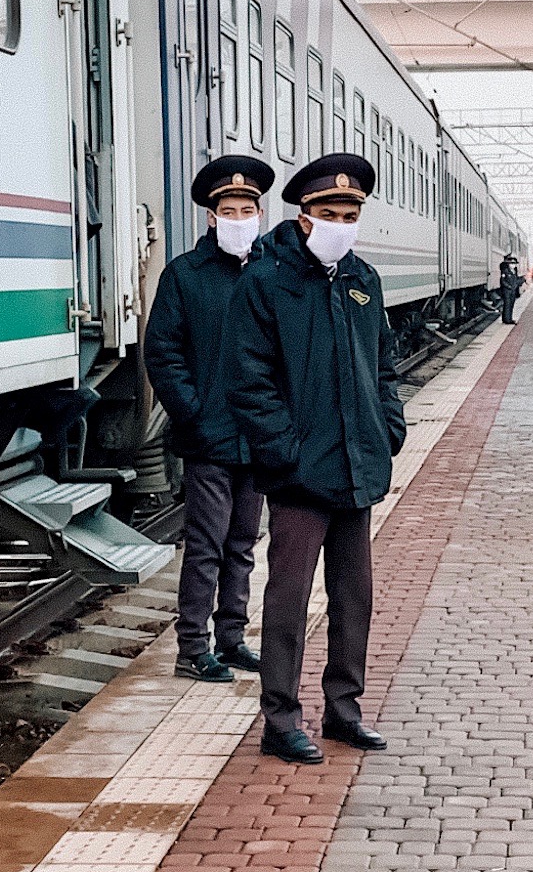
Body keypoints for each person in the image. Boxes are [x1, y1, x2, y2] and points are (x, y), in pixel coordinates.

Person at [227, 154, 406, 763]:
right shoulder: (266, 281)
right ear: (303, 218)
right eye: (328, 213)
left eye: (349, 213)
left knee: (355, 596)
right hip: (300, 474)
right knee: (288, 598)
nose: (340, 222)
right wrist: (285, 451)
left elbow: (382, 365)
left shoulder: (363, 280)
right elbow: (248, 379)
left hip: (357, 466)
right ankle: (280, 719)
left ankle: (343, 709)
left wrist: (389, 427)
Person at [144, 154, 274, 681]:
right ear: (211, 216)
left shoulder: (272, 272)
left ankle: (232, 637)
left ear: (260, 212)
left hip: (258, 438)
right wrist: (192, 414)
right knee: (206, 545)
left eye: (247, 207)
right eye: (228, 208)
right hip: (209, 437)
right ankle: (192, 648)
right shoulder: (185, 275)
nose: (238, 216)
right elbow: (162, 351)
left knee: (243, 544)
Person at [499, 253, 524, 324]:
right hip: (507, 291)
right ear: (509, 264)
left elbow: (515, 280)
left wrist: (521, 280)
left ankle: (508, 318)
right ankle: (507, 320)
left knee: (511, 305)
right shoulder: (505, 271)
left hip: (512, 291)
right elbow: (502, 281)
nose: (513, 265)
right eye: (512, 263)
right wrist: (509, 287)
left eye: (514, 263)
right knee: (507, 305)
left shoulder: (514, 272)